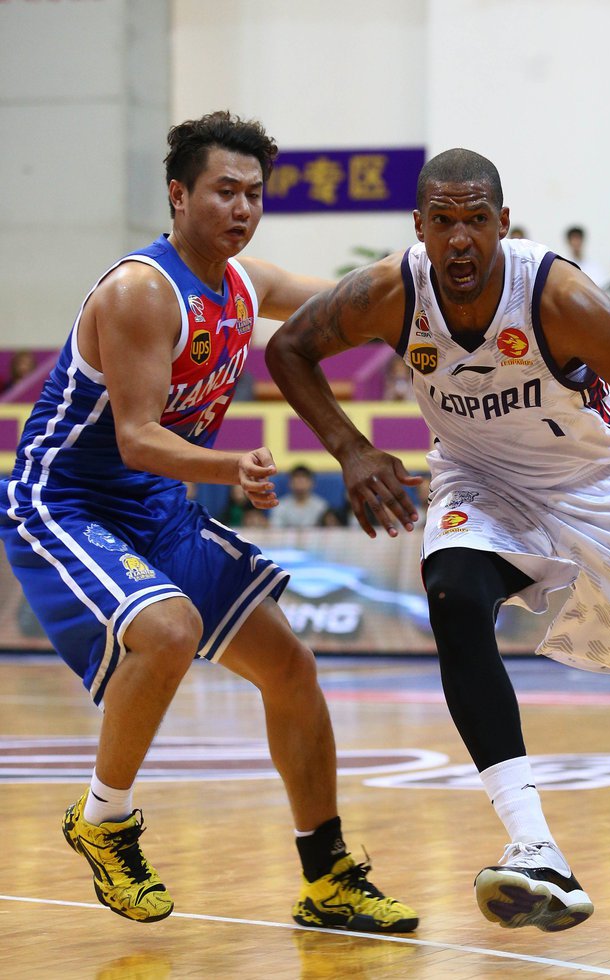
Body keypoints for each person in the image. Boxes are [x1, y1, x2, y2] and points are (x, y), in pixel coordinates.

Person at [265, 147, 610, 932]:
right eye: (443, 221)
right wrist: (349, 448)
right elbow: (287, 349)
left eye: (475, 220)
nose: (460, 239)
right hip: (480, 481)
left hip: (601, 491)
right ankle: (535, 847)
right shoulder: (392, 292)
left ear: (503, 223)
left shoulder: (559, 298)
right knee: (452, 594)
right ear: (418, 226)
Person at [0, 111, 416, 933]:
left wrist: (430, 276)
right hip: (68, 498)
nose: (242, 207)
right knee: (168, 630)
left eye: (254, 194)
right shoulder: (141, 291)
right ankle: (104, 819)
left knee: (290, 666)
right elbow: (137, 437)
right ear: (178, 194)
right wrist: (231, 468)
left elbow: (350, 301)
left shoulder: (245, 283)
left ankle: (327, 878)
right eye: (225, 191)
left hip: (154, 505)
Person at [269, 463, 331, 529]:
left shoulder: (322, 507)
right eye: (297, 479)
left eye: (303, 480)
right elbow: (274, 529)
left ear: (312, 483)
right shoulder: (280, 506)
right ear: (290, 483)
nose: (300, 483)